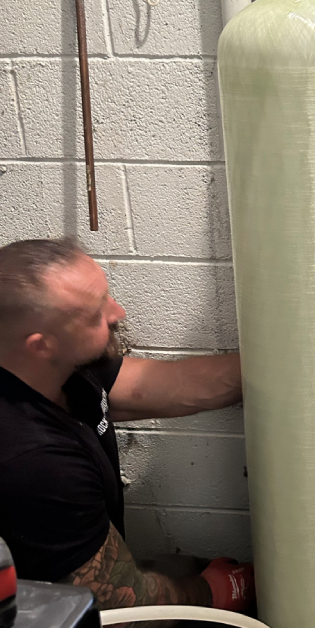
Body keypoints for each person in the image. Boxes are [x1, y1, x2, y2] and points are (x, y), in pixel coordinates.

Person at [0, 238, 255, 613]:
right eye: (96, 313)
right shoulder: (34, 460)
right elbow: (117, 607)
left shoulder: (53, 369)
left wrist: (285, 363)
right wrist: (215, 591)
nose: (118, 312)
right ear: (42, 345)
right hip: (50, 613)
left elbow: (171, 386)